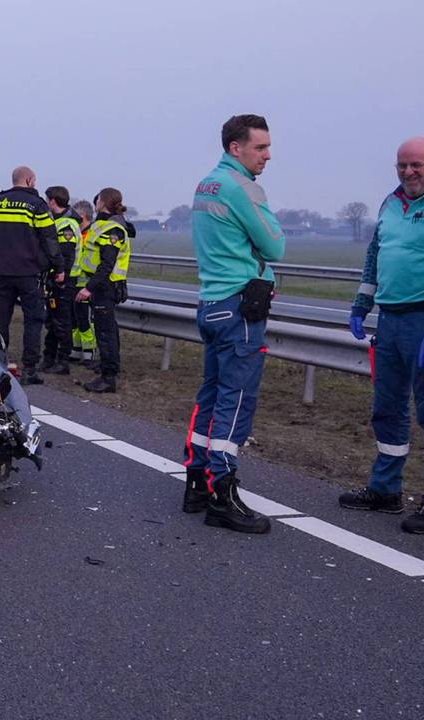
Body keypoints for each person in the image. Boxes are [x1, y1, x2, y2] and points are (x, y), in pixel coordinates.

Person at [180, 114, 285, 534]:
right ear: (235, 147)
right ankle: (222, 493)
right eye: (260, 148)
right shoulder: (241, 187)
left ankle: (196, 482)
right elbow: (275, 245)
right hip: (240, 309)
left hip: (212, 304)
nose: (267, 156)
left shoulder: (206, 183)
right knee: (235, 402)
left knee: (210, 397)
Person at [340, 134, 424, 533]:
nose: (408, 172)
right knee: (387, 407)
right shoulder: (391, 203)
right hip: (390, 320)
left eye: (417, 165)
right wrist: (362, 305)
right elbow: (375, 255)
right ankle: (385, 489)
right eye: (402, 165)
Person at [0, 166, 63, 385]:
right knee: (33, 320)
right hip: (29, 272)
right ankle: (30, 368)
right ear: (31, 180)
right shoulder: (36, 205)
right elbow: (50, 239)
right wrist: (59, 267)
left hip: (2, 271)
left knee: (1, 318)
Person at [74, 189, 130, 393]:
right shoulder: (101, 225)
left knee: (105, 332)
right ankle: (109, 366)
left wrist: (88, 288)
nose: (94, 201)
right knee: (108, 329)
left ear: (102, 201)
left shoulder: (112, 230)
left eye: (97, 199)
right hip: (100, 285)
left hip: (105, 286)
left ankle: (108, 378)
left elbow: (107, 264)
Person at [40, 186, 82, 374]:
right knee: (53, 319)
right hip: (56, 278)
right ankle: (49, 357)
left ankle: (62, 361)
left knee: (62, 321)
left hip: (64, 280)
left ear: (53, 201)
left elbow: (66, 253)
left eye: (48, 200)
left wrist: (61, 272)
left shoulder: (66, 224)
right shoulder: (59, 221)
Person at [69, 199, 97, 364]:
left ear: (83, 215)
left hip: (86, 284)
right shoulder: (78, 233)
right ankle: (76, 350)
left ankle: (89, 351)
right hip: (75, 282)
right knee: (75, 320)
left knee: (85, 320)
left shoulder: (91, 234)